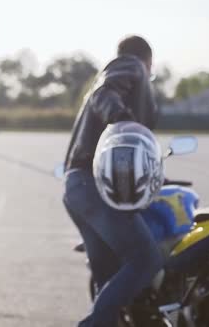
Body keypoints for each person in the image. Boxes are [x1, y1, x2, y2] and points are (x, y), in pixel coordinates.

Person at [62, 35, 162, 327]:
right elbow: (104, 95)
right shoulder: (130, 66)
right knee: (146, 259)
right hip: (98, 186)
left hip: (76, 187)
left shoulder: (108, 76)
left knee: (110, 278)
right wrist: (124, 121)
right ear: (147, 60)